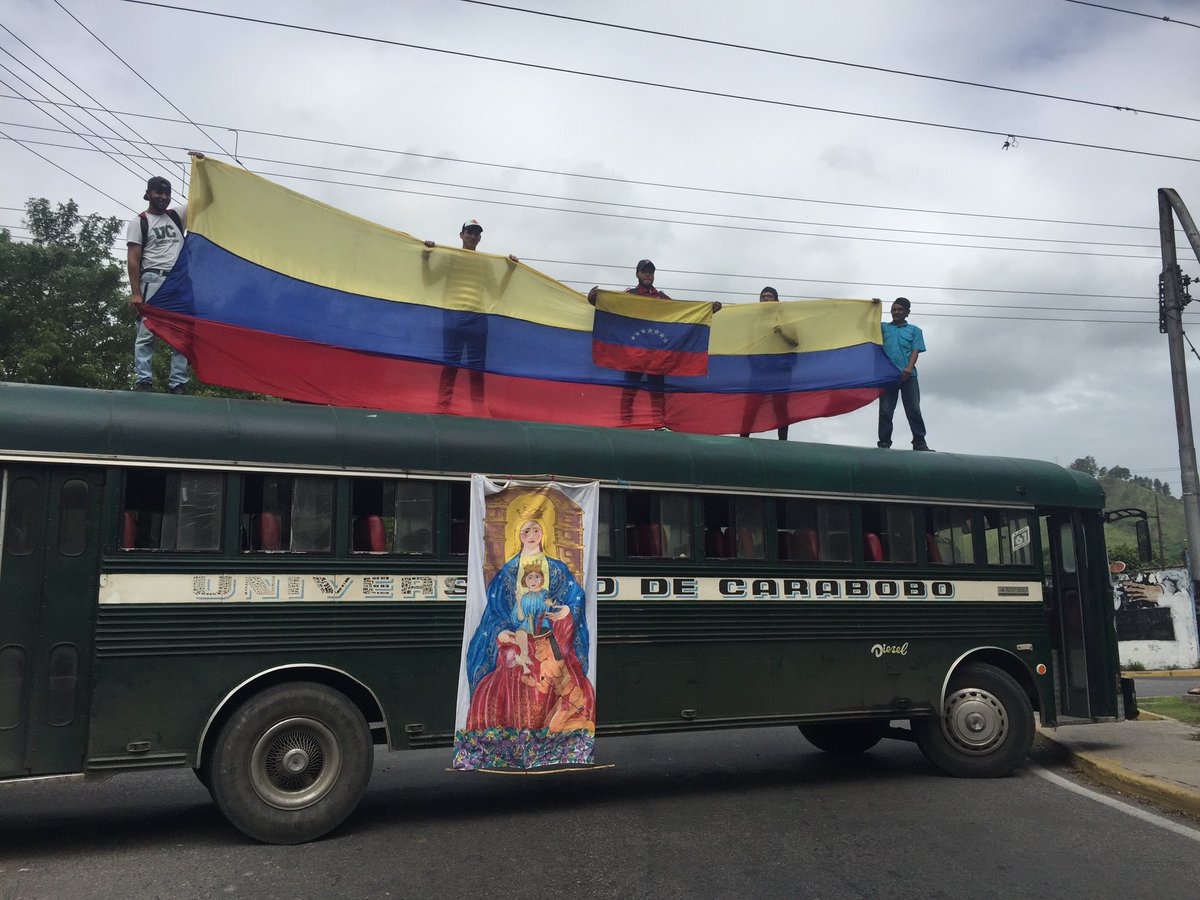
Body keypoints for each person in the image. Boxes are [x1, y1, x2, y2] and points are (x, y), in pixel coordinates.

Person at [463, 518, 594, 733]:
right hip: (520, 631)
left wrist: (567, 610)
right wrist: (501, 629)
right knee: (512, 655)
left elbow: (575, 597)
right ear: (519, 536)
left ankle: (550, 723)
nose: (531, 535)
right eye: (526, 531)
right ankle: (514, 722)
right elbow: (496, 608)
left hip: (549, 634)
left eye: (536, 530)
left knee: (558, 660)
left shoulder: (557, 568)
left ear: (543, 534)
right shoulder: (507, 571)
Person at [587, 259, 722, 427]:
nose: (648, 274)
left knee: (658, 391)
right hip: (634, 352)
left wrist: (708, 310)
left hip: (658, 353)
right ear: (637, 274)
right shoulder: (629, 295)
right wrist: (593, 300)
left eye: (650, 271)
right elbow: (610, 307)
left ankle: (659, 425)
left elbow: (683, 313)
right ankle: (625, 424)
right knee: (629, 389)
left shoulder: (661, 297)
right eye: (644, 271)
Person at [421, 219, 518, 412]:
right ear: (461, 235)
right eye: (469, 232)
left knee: (477, 369)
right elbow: (429, 281)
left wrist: (510, 271)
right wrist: (425, 258)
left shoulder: (484, 263)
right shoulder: (450, 257)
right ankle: (443, 407)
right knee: (450, 365)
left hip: (478, 318)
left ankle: (477, 410)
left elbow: (496, 293)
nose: (472, 236)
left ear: (480, 238)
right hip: (453, 316)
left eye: (476, 233)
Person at [126, 175, 190, 393]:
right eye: (159, 193)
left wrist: (201, 167)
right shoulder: (140, 221)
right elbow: (133, 259)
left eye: (167, 194)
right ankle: (143, 380)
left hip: (178, 281)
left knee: (181, 332)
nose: (164, 197)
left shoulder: (176, 216)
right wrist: (135, 292)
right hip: (153, 279)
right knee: (147, 332)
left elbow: (204, 201)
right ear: (148, 194)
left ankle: (178, 382)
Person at [740, 286, 798, 440]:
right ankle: (743, 438)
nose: (766, 299)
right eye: (763, 297)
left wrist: (782, 332)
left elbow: (795, 342)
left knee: (780, 407)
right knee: (751, 407)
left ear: (776, 300)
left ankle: (783, 442)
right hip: (759, 370)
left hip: (780, 370)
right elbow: (749, 344)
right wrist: (754, 363)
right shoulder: (754, 321)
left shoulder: (785, 319)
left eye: (769, 297)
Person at [877, 296, 930, 450]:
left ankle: (919, 442)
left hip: (909, 376)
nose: (896, 312)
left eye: (900, 310)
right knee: (886, 410)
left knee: (913, 409)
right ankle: (884, 442)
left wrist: (908, 368)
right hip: (888, 376)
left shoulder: (914, 330)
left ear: (907, 312)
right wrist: (873, 305)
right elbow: (865, 323)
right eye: (893, 309)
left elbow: (916, 350)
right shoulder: (883, 327)